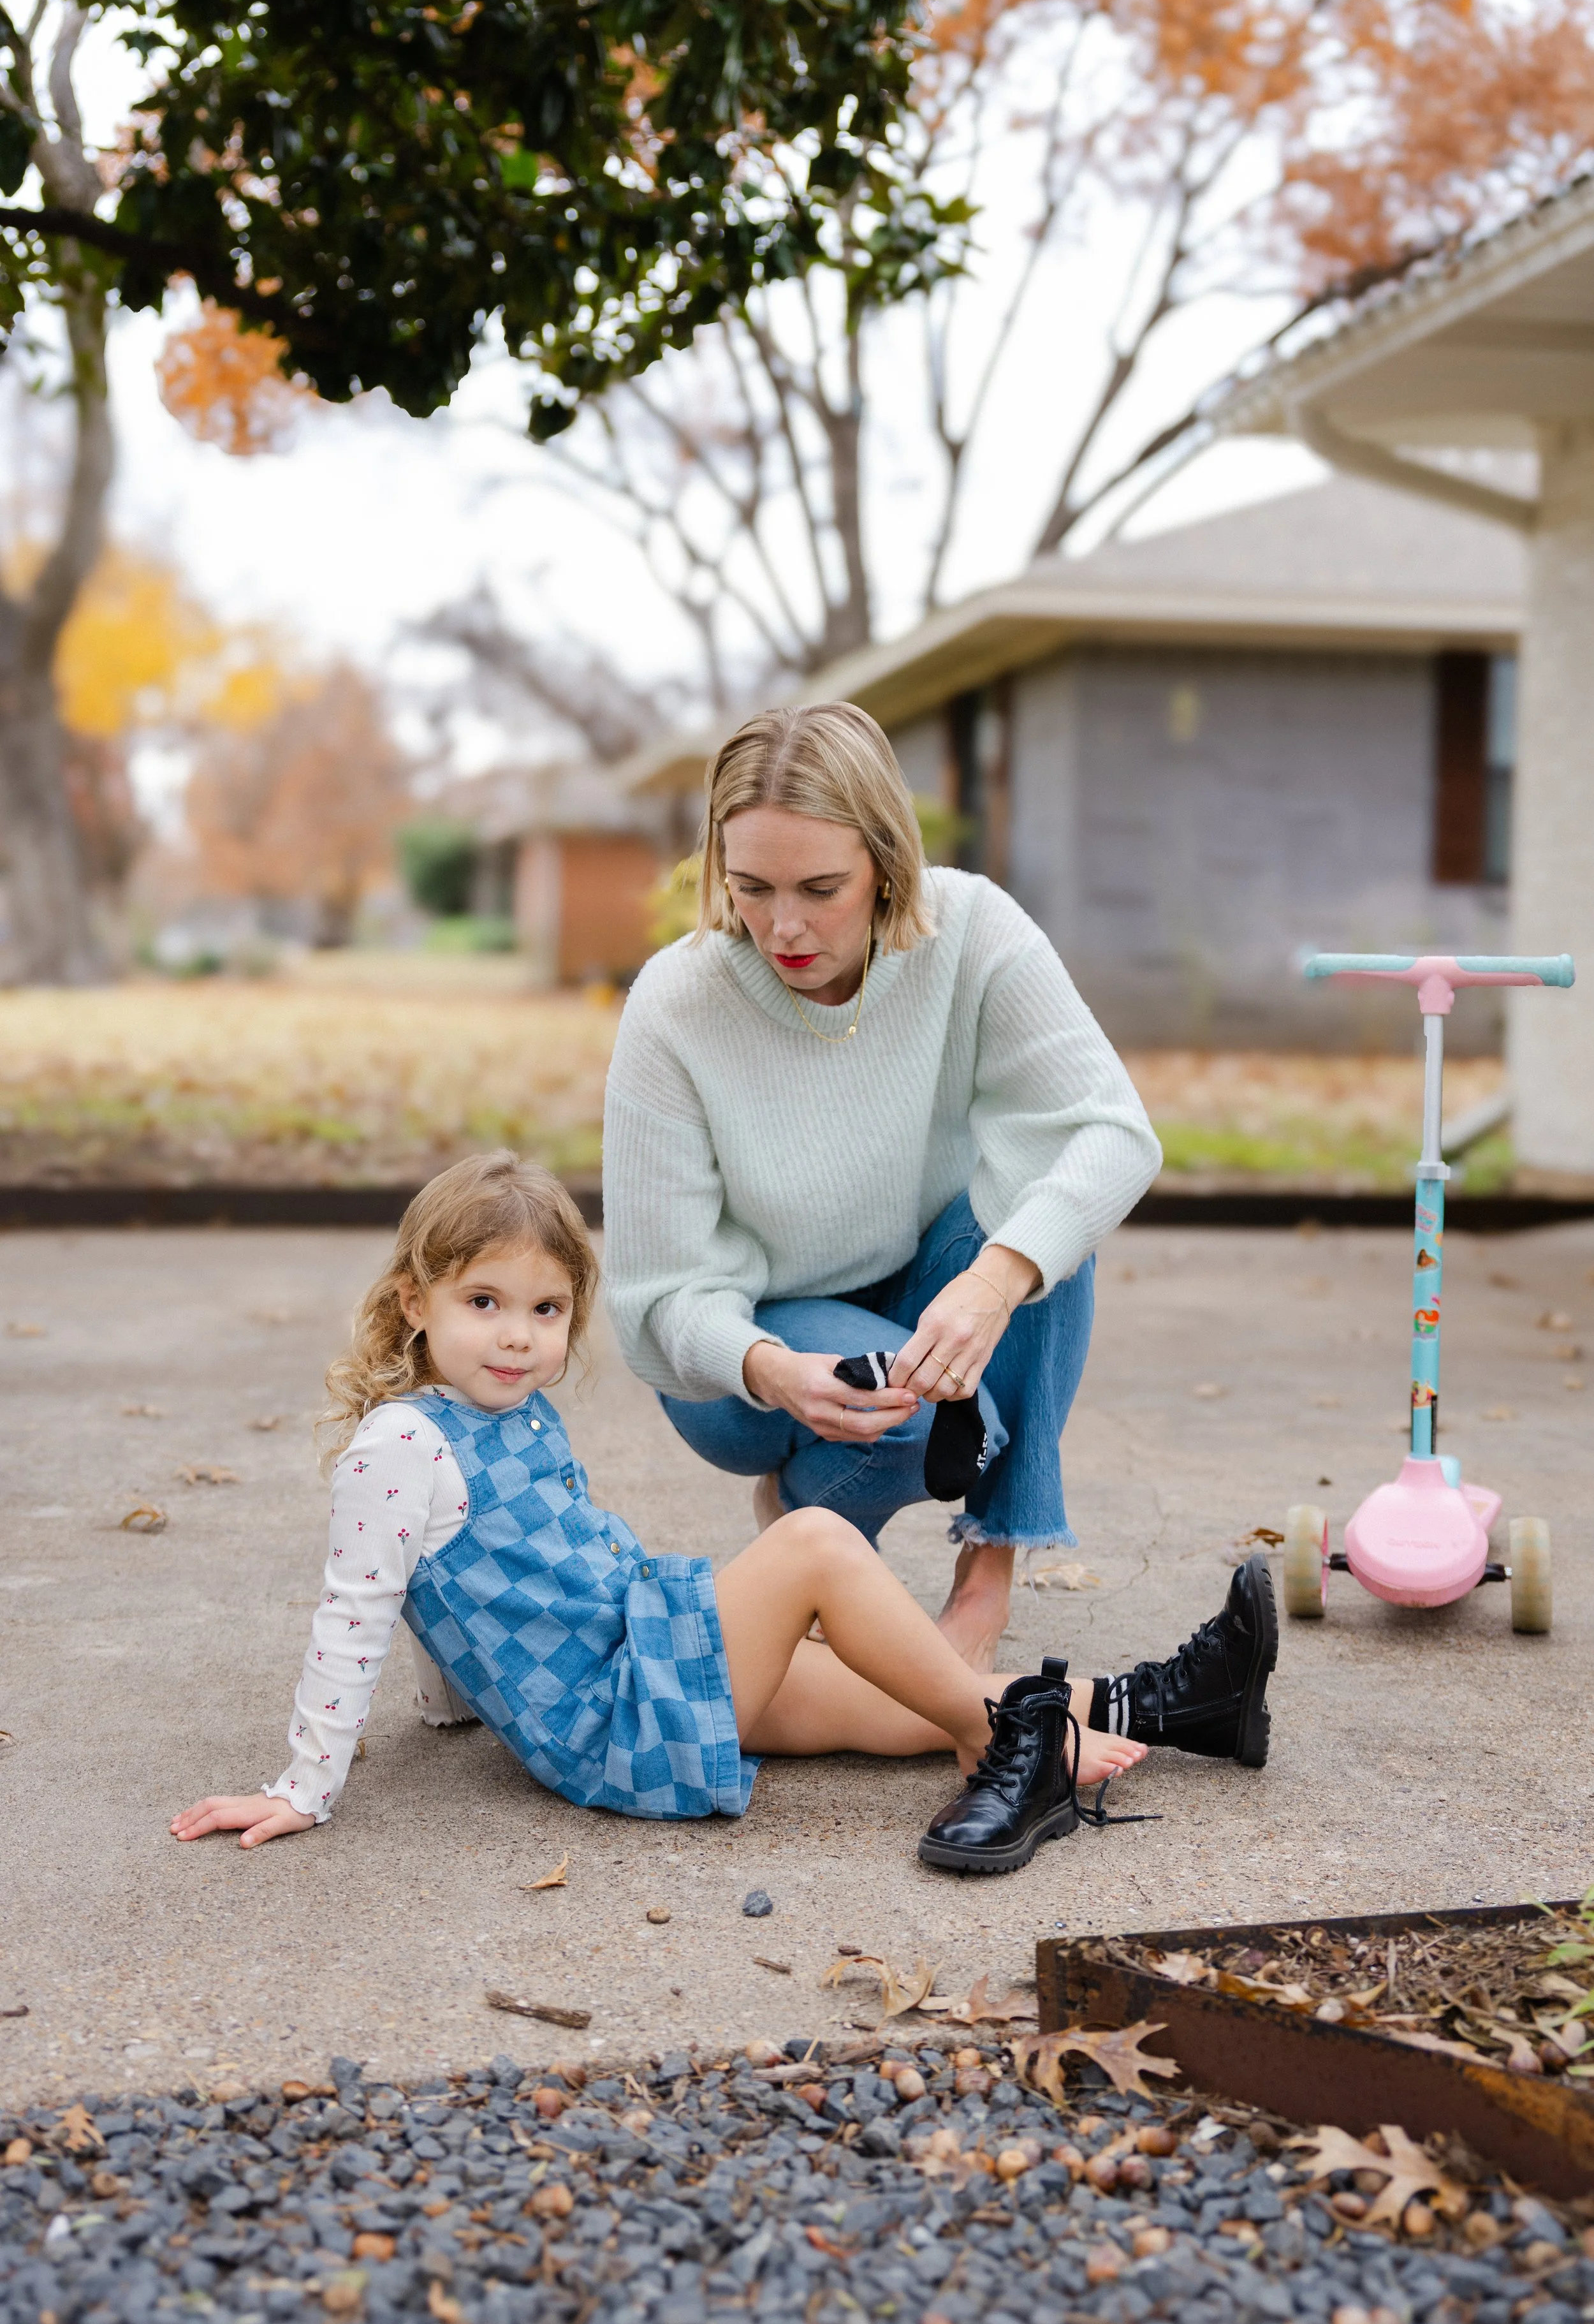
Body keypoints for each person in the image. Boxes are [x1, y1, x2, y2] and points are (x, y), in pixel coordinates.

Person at [170, 1155, 1278, 1875]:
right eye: (484, 1304)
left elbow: (458, 1588)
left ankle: (1187, 1704)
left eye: (546, 1309)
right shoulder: (399, 1446)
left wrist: (455, 1707)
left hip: (648, 1645)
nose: (517, 1336)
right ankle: (1004, 1744)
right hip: (615, 1712)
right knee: (810, 1546)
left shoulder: (503, 1412)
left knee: (893, 1692)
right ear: (416, 1303)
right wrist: (302, 1789)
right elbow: (361, 1607)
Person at [602, 702, 1163, 1672]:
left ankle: (985, 1580)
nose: (783, 926)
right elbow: (658, 1298)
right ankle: (809, 1526)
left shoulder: (971, 927)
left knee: (1051, 1218)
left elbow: (1114, 1133)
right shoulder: (676, 1003)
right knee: (917, 1418)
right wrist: (771, 1368)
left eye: (822, 887)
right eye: (750, 888)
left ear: (887, 862)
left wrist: (996, 1280)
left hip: (918, 1275)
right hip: (743, 1343)